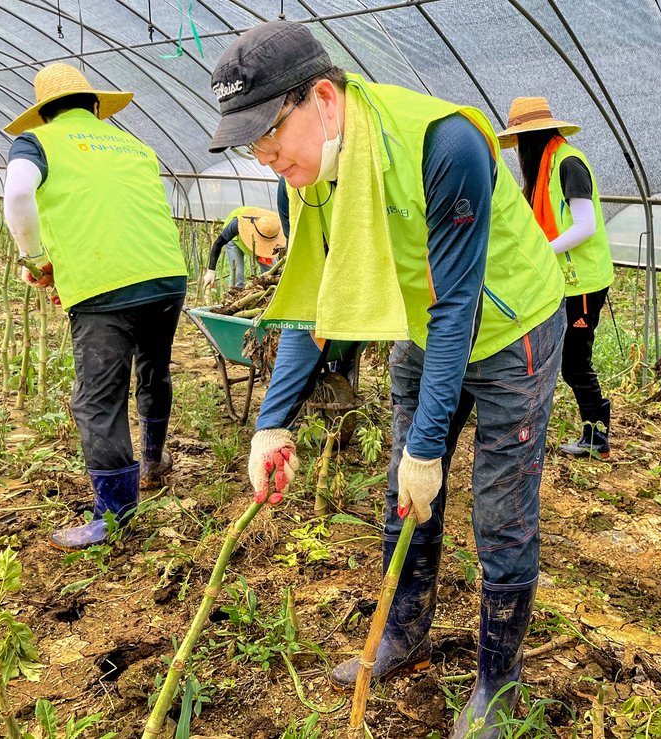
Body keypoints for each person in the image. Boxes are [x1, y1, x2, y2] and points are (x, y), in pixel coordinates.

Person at [208, 22, 566, 738]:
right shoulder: (303, 184)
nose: (265, 156)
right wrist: (272, 421)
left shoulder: (443, 145)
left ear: (322, 99)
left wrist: (429, 446)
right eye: (251, 145)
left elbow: (459, 302)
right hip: (420, 328)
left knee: (500, 509)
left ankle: (499, 683)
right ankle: (405, 631)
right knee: (402, 492)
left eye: (269, 134)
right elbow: (318, 299)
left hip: (507, 330)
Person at [2, 63, 188, 549]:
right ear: (94, 106)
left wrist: (36, 259)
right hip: (167, 275)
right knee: (154, 369)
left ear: (43, 113)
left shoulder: (38, 144)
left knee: (98, 399)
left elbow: (19, 192)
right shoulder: (134, 145)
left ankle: (115, 514)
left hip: (105, 289)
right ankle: (152, 459)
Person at [498, 97, 615, 459]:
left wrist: (542, 250)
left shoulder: (568, 163)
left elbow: (586, 226)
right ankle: (593, 435)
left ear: (532, 137)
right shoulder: (545, 169)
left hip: (584, 282)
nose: (517, 151)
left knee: (576, 363)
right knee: (565, 360)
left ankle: (597, 438)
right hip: (564, 280)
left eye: (519, 143)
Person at [202, 205, 284, 289]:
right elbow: (218, 243)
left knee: (272, 272)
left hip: (266, 240)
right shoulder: (236, 224)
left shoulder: (272, 227)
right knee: (237, 273)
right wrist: (211, 271)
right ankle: (234, 297)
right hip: (235, 240)